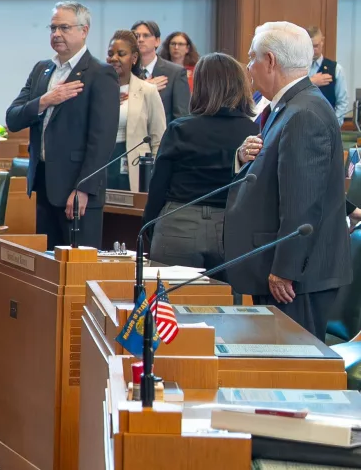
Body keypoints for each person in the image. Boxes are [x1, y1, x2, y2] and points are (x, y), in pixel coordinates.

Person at [226, 21, 352, 339]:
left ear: (270, 61)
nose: (248, 67)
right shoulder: (290, 107)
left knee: (292, 372)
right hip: (288, 272)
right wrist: (244, 158)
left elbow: (302, 202)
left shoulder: (304, 113)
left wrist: (286, 269)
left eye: (252, 58)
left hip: (296, 280)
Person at [5, 2, 119, 249]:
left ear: (84, 31)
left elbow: (102, 140)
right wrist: (46, 100)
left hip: (77, 191)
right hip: (43, 187)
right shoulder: (42, 70)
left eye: (64, 27)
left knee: (78, 271)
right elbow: (13, 118)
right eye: (53, 28)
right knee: (50, 273)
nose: (56, 34)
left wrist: (83, 189)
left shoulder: (100, 73)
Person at [144, 53, 257, 269]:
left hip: (178, 224)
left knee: (169, 300)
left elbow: (158, 185)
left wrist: (149, 226)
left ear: (201, 86)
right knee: (226, 302)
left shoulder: (180, 128)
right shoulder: (255, 131)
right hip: (231, 230)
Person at [105, 30, 166, 193]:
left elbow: (158, 138)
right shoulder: (98, 91)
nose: (114, 58)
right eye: (110, 53)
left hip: (134, 166)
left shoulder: (148, 90)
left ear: (134, 58)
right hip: (102, 164)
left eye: (121, 54)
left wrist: (154, 173)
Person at [132, 20, 190, 123]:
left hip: (163, 136)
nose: (140, 39)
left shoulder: (175, 73)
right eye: (136, 36)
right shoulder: (125, 71)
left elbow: (181, 118)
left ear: (157, 41)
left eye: (146, 35)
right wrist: (144, 88)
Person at [306, 26, 349, 128]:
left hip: (327, 126)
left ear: (322, 41)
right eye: (310, 46)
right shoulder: (298, 68)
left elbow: (342, 102)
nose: (314, 50)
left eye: (316, 45)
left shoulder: (335, 69)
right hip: (301, 124)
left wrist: (334, 125)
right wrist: (311, 81)